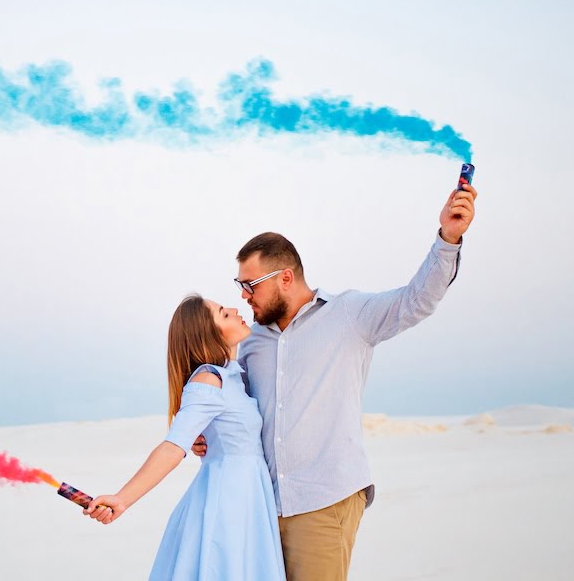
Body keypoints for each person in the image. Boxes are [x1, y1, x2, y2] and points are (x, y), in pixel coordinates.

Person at [192, 182, 478, 581]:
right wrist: (208, 435)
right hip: (260, 508)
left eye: (250, 285)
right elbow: (239, 410)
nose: (243, 297)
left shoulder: (349, 314)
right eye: (239, 286)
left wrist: (448, 238)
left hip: (323, 502)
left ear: (285, 278)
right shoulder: (252, 342)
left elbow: (417, 300)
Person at [83, 295, 286, 581]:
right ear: (207, 334)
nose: (233, 309)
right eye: (223, 314)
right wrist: (122, 498)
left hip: (248, 496)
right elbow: (173, 446)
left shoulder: (232, 377)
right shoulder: (209, 379)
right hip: (229, 499)